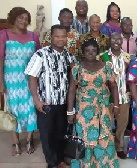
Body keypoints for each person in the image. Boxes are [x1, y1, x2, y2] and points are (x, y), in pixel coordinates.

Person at [25, 24, 76, 168]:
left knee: (61, 134)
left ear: (67, 38)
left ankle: (60, 160)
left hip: (63, 103)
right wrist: (36, 100)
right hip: (45, 103)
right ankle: (52, 163)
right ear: (51, 37)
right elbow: (32, 77)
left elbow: (74, 79)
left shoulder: (69, 56)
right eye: (57, 36)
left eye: (63, 36)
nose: (60, 39)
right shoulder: (41, 54)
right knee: (47, 136)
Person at [67, 38, 120, 168]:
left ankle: (103, 164)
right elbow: (72, 90)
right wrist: (70, 112)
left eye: (93, 50)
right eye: (87, 50)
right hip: (84, 110)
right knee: (85, 136)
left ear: (97, 52)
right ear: (83, 52)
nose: (90, 53)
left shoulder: (106, 66)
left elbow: (113, 86)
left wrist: (117, 104)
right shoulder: (76, 67)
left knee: (104, 135)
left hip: (103, 108)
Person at [0, 7, 40, 156]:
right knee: (13, 109)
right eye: (20, 18)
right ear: (13, 19)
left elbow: (39, 58)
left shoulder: (33, 36)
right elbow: (1, 59)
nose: (23, 21)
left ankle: (29, 139)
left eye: (26, 18)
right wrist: (1, 82)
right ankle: (16, 141)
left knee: (30, 108)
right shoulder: (4, 34)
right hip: (11, 79)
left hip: (30, 79)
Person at [100, 32, 131, 159]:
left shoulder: (128, 57)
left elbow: (130, 77)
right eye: (114, 39)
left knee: (121, 125)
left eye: (119, 39)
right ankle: (106, 148)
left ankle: (119, 148)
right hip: (108, 97)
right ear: (110, 40)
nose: (116, 42)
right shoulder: (102, 57)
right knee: (106, 124)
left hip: (123, 96)